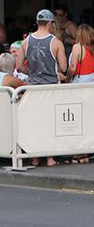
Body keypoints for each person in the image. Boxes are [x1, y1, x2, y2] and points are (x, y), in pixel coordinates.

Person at [17, 10, 68, 168]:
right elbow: (64, 67)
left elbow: (18, 66)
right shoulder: (56, 42)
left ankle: (34, 158)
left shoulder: (26, 42)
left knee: (35, 122)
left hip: (33, 88)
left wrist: (31, 72)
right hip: (50, 88)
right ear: (50, 23)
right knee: (49, 123)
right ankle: (50, 158)